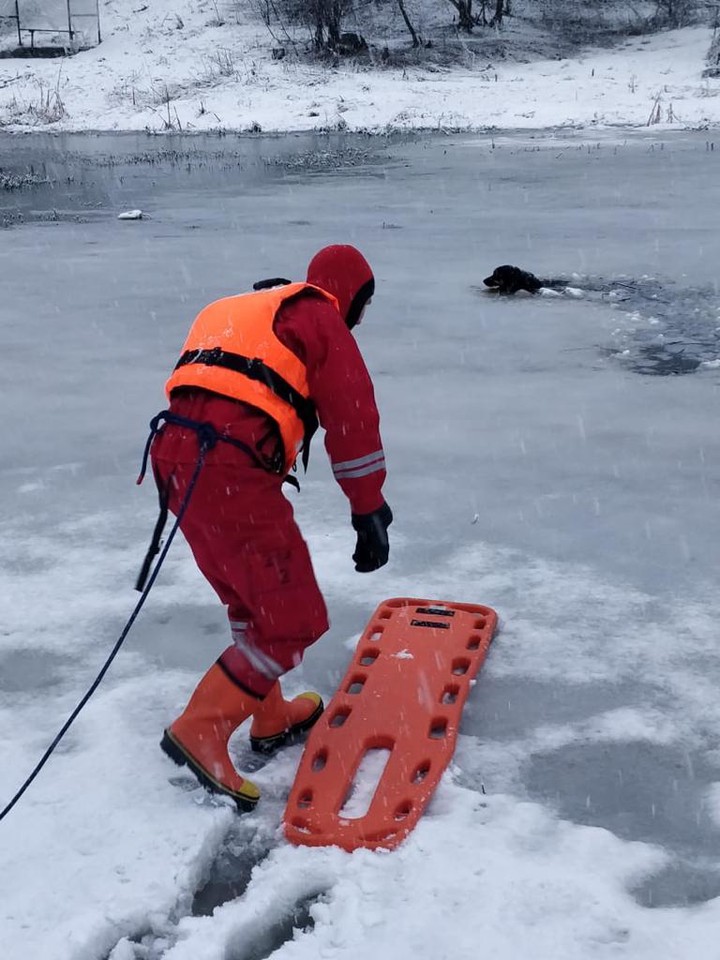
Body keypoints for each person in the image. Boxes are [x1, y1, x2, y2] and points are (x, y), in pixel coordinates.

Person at [146, 244, 392, 812]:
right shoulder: (321, 318)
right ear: (352, 295)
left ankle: (271, 713)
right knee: (291, 617)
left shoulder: (250, 307)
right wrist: (368, 508)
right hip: (227, 465)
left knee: (249, 597)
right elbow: (353, 417)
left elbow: (228, 394)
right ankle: (202, 729)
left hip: (176, 458)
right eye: (363, 305)